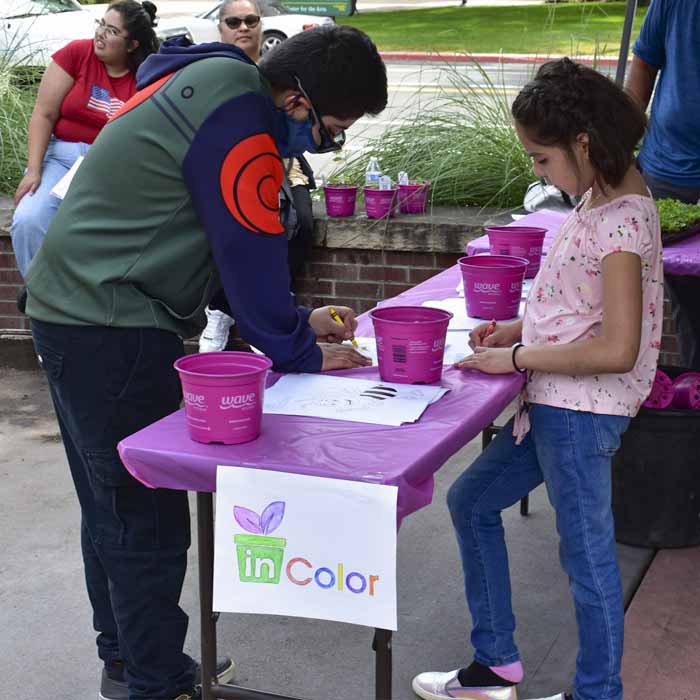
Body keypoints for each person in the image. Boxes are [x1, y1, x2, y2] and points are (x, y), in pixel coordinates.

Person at [24, 25, 386, 700]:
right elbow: (251, 246)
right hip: (113, 322)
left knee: (111, 503)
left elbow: (206, 234)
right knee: (145, 513)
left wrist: (290, 324)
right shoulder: (243, 114)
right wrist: (301, 351)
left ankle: (130, 661)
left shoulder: (207, 81)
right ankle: (159, 683)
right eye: (331, 129)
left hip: (72, 308)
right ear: (299, 100)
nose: (323, 145)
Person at [412, 58, 663, 700]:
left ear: (582, 142)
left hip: (578, 412)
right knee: (471, 503)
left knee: (587, 558)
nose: (535, 170)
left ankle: (596, 692)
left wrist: (519, 358)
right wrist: (520, 329)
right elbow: (581, 308)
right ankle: (494, 664)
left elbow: (617, 347)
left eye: (541, 157)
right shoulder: (597, 197)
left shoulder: (621, 221)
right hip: (555, 404)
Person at [199, 0, 317, 352]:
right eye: (233, 21)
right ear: (221, 28)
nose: (243, 27)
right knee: (239, 227)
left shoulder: (275, 72)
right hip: (233, 166)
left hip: (282, 162)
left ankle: (271, 308)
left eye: (251, 20)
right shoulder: (215, 71)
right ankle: (221, 309)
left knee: (301, 224)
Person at [10, 0, 159, 279]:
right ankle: (40, 296)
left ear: (132, 45)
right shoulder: (78, 53)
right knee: (29, 219)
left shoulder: (146, 77)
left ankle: (88, 307)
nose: (101, 33)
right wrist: (34, 170)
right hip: (60, 157)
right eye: (101, 24)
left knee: (102, 234)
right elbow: (44, 113)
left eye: (112, 31)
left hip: (108, 165)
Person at [625, 0, 700, 371]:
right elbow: (644, 62)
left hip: (670, 171)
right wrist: (619, 144)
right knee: (689, 304)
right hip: (669, 173)